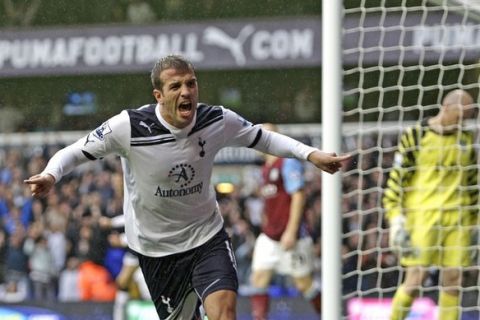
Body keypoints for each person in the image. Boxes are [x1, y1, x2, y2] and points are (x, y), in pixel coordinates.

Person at [24, 54, 351, 320]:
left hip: (207, 239)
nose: (186, 92)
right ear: (158, 95)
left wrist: (310, 154)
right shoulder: (129, 127)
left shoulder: (215, 121)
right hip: (157, 251)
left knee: (224, 311)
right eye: (176, 86)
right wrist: (51, 175)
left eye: (191, 83)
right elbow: (74, 151)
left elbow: (262, 137)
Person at [383, 89, 478, 320]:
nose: (462, 123)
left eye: (466, 119)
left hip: (458, 219)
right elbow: (396, 180)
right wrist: (395, 218)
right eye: (459, 117)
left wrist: (476, 223)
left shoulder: (465, 140)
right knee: (416, 279)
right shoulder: (415, 135)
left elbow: (472, 184)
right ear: (446, 108)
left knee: (453, 280)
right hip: (422, 218)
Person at [249, 123, 321, 320]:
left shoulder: (287, 162)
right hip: (270, 235)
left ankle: (330, 313)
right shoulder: (265, 169)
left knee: (303, 283)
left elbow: (298, 195)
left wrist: (291, 230)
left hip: (292, 236)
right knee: (258, 279)